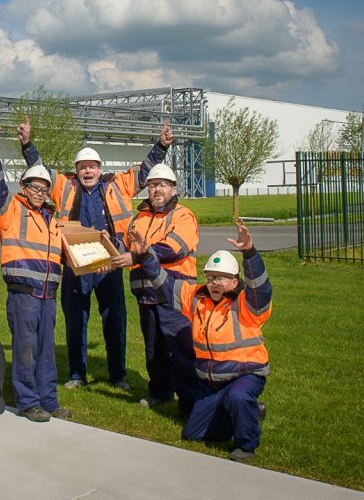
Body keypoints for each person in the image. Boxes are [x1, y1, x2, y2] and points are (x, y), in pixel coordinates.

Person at [18, 115, 172, 390]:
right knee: (76, 322)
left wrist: (161, 146)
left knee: (115, 321)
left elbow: (144, 171)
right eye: (82, 167)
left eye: (92, 167)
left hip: (109, 265)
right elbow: (39, 171)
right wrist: (27, 143)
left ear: (100, 169)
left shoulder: (117, 184)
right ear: (76, 169)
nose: (87, 171)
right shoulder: (65, 185)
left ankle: (118, 375)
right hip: (77, 267)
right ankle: (77, 375)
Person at [127, 222, 272, 462]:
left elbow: (261, 288)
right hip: (212, 382)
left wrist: (250, 253)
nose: (214, 283)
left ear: (234, 282)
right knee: (193, 433)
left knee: (238, 397)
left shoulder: (247, 305)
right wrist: (144, 256)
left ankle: (247, 444)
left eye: (222, 278)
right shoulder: (197, 298)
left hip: (244, 375)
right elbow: (164, 284)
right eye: (211, 277)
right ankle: (250, 412)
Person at [0, 122, 71, 423]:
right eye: (34, 187)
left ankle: (49, 400)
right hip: (24, 295)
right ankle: (28, 401)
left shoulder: (53, 219)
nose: (39, 193)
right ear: (23, 188)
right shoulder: (10, 210)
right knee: (26, 349)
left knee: (45, 351)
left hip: (48, 295)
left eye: (43, 189)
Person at [111, 161, 203, 416]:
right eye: (152, 185)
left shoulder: (182, 215)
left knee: (181, 350)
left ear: (173, 189)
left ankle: (191, 403)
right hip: (146, 294)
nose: (156, 190)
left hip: (174, 294)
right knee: (154, 349)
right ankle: (160, 393)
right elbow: (124, 245)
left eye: (162, 185)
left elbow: (174, 248)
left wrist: (137, 256)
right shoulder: (139, 218)